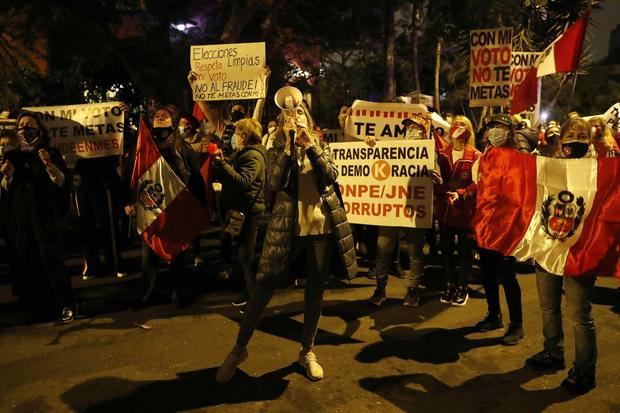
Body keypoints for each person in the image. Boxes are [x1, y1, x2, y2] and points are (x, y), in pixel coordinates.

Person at [215, 99, 357, 383]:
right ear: (282, 125)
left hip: (321, 230)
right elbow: (274, 182)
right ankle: (239, 348)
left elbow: (330, 176)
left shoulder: (320, 146)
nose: (295, 118)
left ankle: (307, 350)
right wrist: (291, 148)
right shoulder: (276, 149)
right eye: (288, 116)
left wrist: (311, 147)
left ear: (308, 118)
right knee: (263, 289)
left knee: (314, 293)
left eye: (300, 113)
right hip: (284, 231)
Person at [525, 116, 603, 394]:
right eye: (571, 136)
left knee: (579, 314)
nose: (575, 142)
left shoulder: (602, 168)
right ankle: (553, 352)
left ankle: (584, 371)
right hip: (549, 247)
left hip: (581, 253)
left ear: (591, 139)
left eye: (582, 137)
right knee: (548, 307)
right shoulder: (551, 162)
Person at [0, 111, 75, 322]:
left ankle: (66, 304)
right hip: (20, 220)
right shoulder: (12, 156)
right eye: (22, 126)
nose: (26, 129)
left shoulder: (49, 152)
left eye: (30, 125)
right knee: (27, 261)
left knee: (51, 260)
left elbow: (62, 182)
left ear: (39, 130)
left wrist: (49, 165)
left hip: (44, 217)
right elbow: (5, 189)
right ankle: (38, 307)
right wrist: (7, 176)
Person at [130, 105, 207, 309]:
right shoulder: (145, 147)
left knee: (177, 255)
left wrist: (202, 205)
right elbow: (135, 174)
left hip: (176, 209)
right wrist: (129, 201)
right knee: (148, 257)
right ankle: (146, 294)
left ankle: (179, 293)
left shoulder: (182, 148)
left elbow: (196, 179)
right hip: (151, 209)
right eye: (157, 116)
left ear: (172, 122)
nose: (160, 118)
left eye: (165, 116)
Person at [367, 113, 443, 307]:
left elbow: (439, 179)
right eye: (408, 126)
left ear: (424, 130)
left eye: (415, 127)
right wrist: (371, 146)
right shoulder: (394, 147)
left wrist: (437, 179)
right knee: (383, 249)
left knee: (415, 252)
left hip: (415, 211)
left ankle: (413, 289)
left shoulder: (430, 152)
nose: (410, 130)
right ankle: (380, 287)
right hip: (391, 209)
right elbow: (377, 163)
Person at [471, 113, 526, 345]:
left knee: (507, 275)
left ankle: (517, 324)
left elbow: (520, 196)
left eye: (500, 127)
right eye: (491, 127)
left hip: (508, 227)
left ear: (510, 132)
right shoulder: (485, 158)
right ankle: (494, 315)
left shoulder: (519, 159)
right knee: (488, 274)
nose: (494, 131)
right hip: (485, 225)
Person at [211, 118, 266, 309]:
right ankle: (248, 291)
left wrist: (223, 165)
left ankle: (254, 299)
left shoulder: (253, 156)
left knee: (246, 256)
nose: (233, 137)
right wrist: (221, 163)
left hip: (249, 212)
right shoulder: (243, 153)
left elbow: (243, 182)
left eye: (236, 133)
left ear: (243, 135)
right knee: (242, 254)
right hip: (239, 211)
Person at [435, 115, 482, 306]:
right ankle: (449, 285)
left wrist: (461, 193)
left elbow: (478, 183)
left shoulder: (476, 155)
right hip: (445, 210)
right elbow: (438, 181)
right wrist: (440, 187)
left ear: (468, 131)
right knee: (446, 251)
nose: (458, 128)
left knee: (464, 251)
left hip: (465, 211)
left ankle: (462, 287)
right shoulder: (441, 154)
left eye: (463, 125)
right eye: (456, 124)